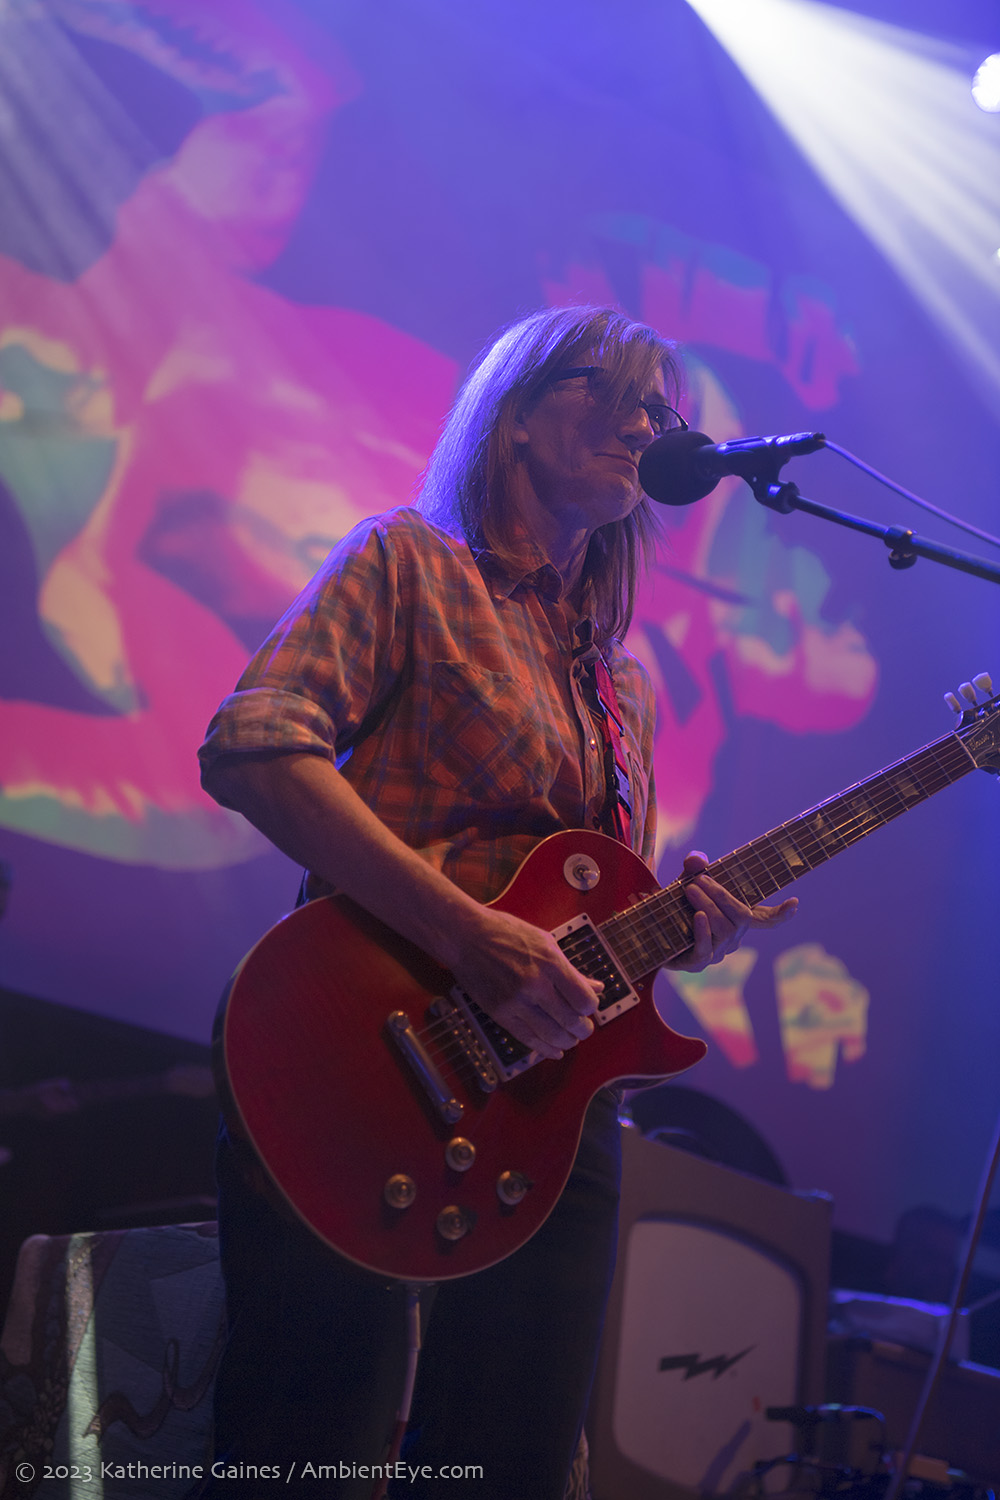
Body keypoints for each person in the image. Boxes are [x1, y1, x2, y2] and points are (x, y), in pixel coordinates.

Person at [196, 304, 797, 1499]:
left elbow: (584, 911)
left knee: (509, 1462)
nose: (645, 425)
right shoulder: (406, 562)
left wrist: (684, 929)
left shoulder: (623, 685)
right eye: (616, 394)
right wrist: (472, 938)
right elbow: (255, 746)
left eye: (662, 412)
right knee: (305, 1443)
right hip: (364, 1052)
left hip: (549, 1103)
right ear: (516, 416)